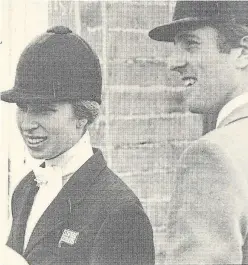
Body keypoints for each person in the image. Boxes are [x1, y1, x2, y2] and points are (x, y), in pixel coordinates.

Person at [1, 26, 155, 265]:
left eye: (44, 110)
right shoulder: (24, 190)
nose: (28, 123)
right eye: (22, 107)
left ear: (83, 116)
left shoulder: (119, 211)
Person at [149, 1, 248, 264]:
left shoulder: (213, 156)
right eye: (175, 48)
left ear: (243, 52)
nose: (174, 63)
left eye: (191, 44)